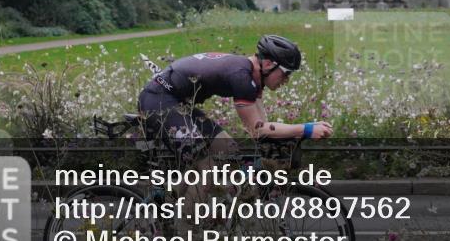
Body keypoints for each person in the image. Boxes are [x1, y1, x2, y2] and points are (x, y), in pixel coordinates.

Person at [137, 34, 333, 161]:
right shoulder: (241, 76)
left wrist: (296, 133)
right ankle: (187, 224)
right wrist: (305, 129)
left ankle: (179, 201)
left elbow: (262, 126)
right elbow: (258, 131)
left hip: (175, 102)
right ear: (268, 65)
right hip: (159, 102)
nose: (286, 80)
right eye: (285, 73)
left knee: (229, 152)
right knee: (207, 170)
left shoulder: (252, 78)